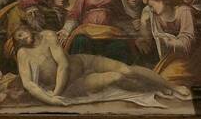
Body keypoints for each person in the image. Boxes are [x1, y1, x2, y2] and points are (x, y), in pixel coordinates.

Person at [13, 24, 190, 109]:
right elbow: (29, 84)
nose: (21, 38)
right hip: (75, 84)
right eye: (18, 38)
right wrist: (54, 97)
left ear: (28, 29)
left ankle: (171, 86)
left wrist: (55, 92)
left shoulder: (48, 35)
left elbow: (64, 65)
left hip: (82, 61)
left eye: (21, 33)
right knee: (117, 77)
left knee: (127, 69)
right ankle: (152, 88)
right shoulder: (24, 54)